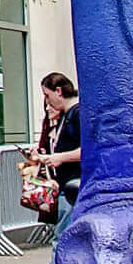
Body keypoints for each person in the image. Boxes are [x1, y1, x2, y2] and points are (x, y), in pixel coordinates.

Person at [31, 72, 83, 217]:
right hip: (66, 186)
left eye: (47, 95)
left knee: (61, 235)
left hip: (72, 186)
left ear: (59, 91)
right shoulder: (67, 115)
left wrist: (60, 157)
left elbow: (87, 150)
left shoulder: (77, 114)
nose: (47, 102)